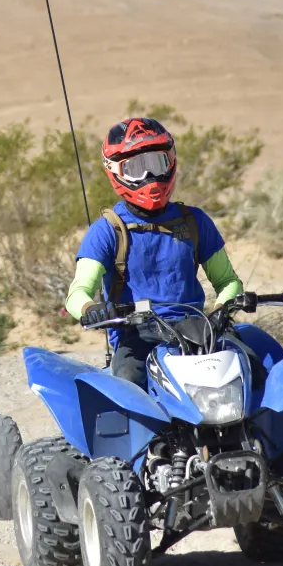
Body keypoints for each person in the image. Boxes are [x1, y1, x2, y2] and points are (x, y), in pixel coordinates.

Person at [65, 117, 244, 388]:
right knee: (128, 384)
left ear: (170, 162)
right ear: (116, 172)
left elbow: (229, 282)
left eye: (156, 163)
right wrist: (90, 309)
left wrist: (221, 310)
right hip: (137, 338)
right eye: (136, 168)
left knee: (254, 366)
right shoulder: (107, 230)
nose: (150, 177)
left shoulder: (195, 221)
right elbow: (76, 294)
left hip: (197, 332)